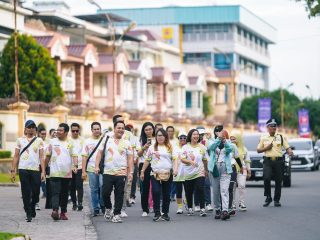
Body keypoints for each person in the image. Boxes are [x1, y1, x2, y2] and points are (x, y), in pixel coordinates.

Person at [95, 121, 134, 223]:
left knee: (119, 194)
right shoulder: (107, 139)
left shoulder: (127, 142)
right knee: (105, 192)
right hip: (108, 171)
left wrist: (131, 172)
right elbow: (99, 153)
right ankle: (108, 208)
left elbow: (130, 158)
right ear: (114, 128)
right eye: (118, 128)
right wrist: (96, 166)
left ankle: (116, 214)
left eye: (122, 128)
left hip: (121, 172)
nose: (120, 130)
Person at [11, 120, 45, 222]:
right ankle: (28, 212)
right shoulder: (20, 140)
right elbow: (16, 156)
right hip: (23, 169)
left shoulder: (39, 141)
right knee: (26, 192)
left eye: (33, 127)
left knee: (36, 192)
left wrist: (43, 171)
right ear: (25, 129)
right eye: (29, 127)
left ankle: (33, 204)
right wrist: (13, 170)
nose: (31, 129)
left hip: (35, 170)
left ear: (35, 130)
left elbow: (42, 157)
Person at [140, 128, 178, 222]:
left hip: (167, 173)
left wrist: (176, 169)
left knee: (166, 194)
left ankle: (165, 213)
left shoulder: (170, 147)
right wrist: (142, 171)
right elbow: (147, 160)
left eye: (162, 135)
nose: (160, 137)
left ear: (165, 136)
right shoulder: (152, 147)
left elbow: (175, 159)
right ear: (155, 137)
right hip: (155, 173)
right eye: (158, 135)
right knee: (156, 192)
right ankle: (157, 213)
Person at [45, 123, 78, 221]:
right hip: (54, 172)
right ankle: (55, 210)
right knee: (55, 192)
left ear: (66, 132)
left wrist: (75, 166)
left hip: (66, 173)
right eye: (57, 130)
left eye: (60, 130)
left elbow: (74, 155)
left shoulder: (71, 143)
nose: (57, 132)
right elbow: (47, 156)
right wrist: (43, 168)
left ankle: (63, 212)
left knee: (64, 193)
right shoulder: (52, 142)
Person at [257, 119, 293, 207]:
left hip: (279, 161)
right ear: (267, 127)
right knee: (266, 178)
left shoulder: (280, 137)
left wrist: (290, 152)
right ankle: (268, 197)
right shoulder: (263, 138)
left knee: (278, 180)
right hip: (268, 161)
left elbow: (287, 147)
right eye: (271, 126)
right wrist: (266, 148)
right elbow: (258, 150)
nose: (273, 127)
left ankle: (277, 200)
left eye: (275, 126)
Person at [180, 129, 209, 217]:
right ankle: (190, 208)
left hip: (199, 171)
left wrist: (206, 170)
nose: (196, 136)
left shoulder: (202, 147)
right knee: (189, 191)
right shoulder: (185, 147)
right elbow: (182, 159)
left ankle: (202, 208)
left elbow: (205, 160)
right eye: (194, 134)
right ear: (190, 136)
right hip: (188, 172)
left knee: (200, 188)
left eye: (197, 134)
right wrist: (190, 162)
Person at [207, 126, 233, 221]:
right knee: (216, 191)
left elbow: (230, 149)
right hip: (215, 168)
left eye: (223, 133)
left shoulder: (229, 143)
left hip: (225, 168)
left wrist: (225, 141)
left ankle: (225, 210)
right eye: (218, 132)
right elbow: (211, 148)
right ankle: (217, 209)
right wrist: (218, 139)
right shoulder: (212, 141)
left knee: (224, 190)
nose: (221, 134)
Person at [82, 122, 105, 216]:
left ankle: (103, 205)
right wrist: (83, 171)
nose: (96, 130)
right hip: (91, 169)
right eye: (94, 129)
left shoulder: (105, 140)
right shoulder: (87, 141)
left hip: (103, 168)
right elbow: (84, 157)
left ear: (100, 129)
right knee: (94, 189)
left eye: (98, 129)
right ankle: (96, 208)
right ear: (91, 130)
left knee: (103, 187)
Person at [137, 122, 155, 217]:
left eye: (150, 129)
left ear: (153, 129)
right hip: (144, 165)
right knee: (145, 188)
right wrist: (144, 148)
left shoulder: (158, 139)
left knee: (156, 188)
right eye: (146, 129)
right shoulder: (140, 140)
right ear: (143, 131)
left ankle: (156, 208)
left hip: (155, 165)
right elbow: (138, 154)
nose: (148, 131)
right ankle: (145, 209)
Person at [194, 126, 213, 212]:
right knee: (196, 186)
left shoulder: (207, 142)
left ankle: (208, 203)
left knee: (206, 185)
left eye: (202, 134)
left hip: (205, 166)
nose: (201, 136)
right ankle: (197, 204)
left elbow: (212, 150)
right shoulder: (192, 143)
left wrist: (211, 137)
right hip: (194, 167)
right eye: (199, 134)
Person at [230, 134, 251, 211]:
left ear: (238, 139)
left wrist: (249, 171)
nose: (232, 141)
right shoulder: (229, 148)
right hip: (232, 170)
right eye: (231, 139)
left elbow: (247, 160)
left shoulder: (244, 149)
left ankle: (242, 203)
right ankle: (232, 204)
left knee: (242, 186)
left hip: (242, 170)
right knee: (232, 188)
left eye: (234, 139)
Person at [70, 123, 84, 211]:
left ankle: (80, 203)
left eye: (77, 131)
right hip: (69, 167)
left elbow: (85, 154)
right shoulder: (67, 140)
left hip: (80, 166)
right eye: (73, 131)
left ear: (79, 131)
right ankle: (74, 203)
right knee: (71, 186)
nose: (75, 132)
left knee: (79, 185)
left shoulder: (83, 140)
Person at [173, 131, 187, 214]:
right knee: (179, 191)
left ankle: (188, 206)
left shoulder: (189, 147)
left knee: (188, 191)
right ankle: (179, 207)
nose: (182, 139)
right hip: (178, 172)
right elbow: (174, 160)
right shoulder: (175, 148)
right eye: (181, 137)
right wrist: (175, 170)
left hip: (188, 172)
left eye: (184, 137)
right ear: (178, 139)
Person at [166, 126, 178, 201]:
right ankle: (167, 193)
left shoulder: (176, 141)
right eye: (169, 131)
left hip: (175, 161)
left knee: (174, 179)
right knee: (167, 179)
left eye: (171, 131)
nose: (170, 132)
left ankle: (172, 194)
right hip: (167, 161)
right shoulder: (164, 141)